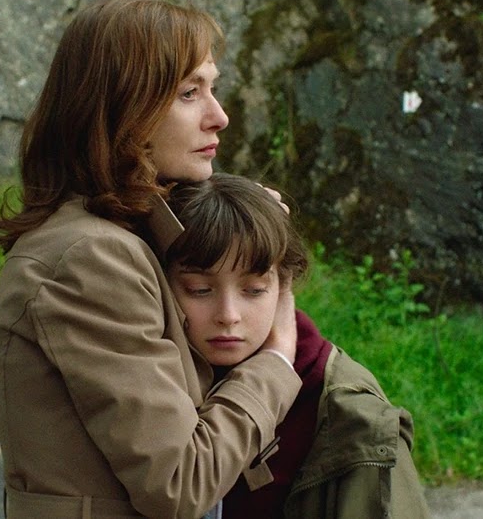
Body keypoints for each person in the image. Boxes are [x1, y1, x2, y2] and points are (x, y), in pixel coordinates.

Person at [0, 0, 302, 519]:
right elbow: (180, 483)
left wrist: (242, 231)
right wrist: (277, 361)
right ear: (122, 111)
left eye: (212, 88)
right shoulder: (90, 259)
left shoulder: (121, 235)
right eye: (189, 93)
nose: (219, 117)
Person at [163, 172, 431, 518]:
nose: (228, 315)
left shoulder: (348, 414)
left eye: (254, 290)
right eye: (199, 290)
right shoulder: (142, 377)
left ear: (283, 284)